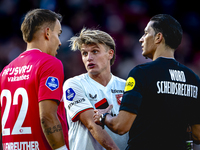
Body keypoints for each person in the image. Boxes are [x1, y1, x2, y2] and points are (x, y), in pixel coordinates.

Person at [93, 14, 200, 150]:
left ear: (158, 37)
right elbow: (198, 135)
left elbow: (121, 126)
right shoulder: (193, 79)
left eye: (145, 33)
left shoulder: (141, 73)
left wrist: (104, 117)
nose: (141, 39)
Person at [0, 9, 69, 150]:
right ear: (48, 33)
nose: (60, 42)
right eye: (58, 34)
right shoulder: (50, 63)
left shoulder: (5, 71)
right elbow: (47, 117)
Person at [63, 28, 129, 150]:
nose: (89, 58)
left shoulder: (126, 87)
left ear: (110, 54)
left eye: (95, 51)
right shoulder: (73, 84)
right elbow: (92, 124)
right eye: (84, 53)